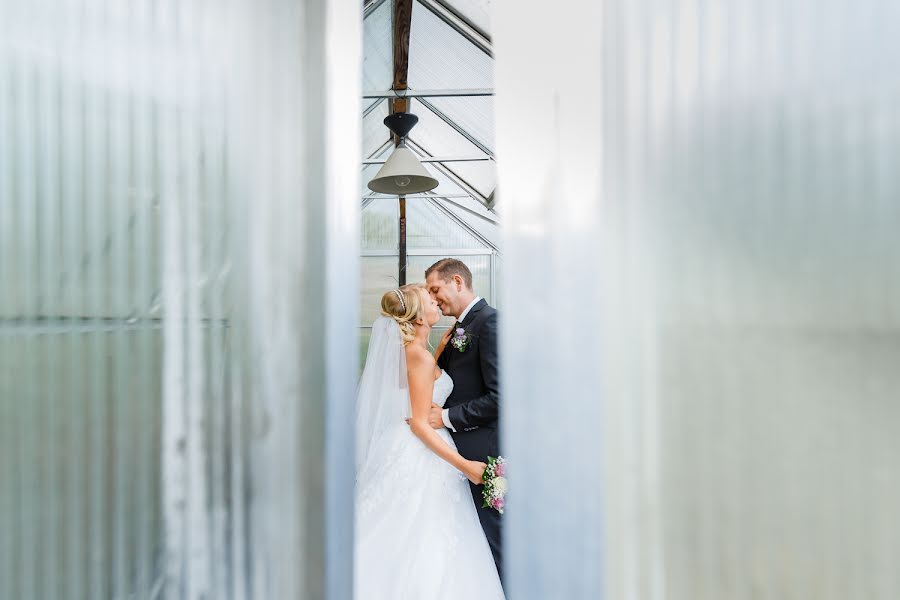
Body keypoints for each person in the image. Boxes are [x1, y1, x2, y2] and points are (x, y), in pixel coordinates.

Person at [354, 283, 505, 600]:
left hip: (410, 446)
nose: (436, 301)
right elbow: (421, 425)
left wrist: (436, 354)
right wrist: (465, 466)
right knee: (423, 536)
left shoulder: (416, 355)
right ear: (419, 317)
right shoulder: (417, 357)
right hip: (422, 451)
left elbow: (416, 384)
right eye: (429, 299)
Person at [424, 258, 503, 581]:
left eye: (435, 289)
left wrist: (444, 417)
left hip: (481, 455)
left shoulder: (490, 324)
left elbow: (501, 398)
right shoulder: (460, 328)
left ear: (457, 281)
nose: (433, 298)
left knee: (495, 542)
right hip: (455, 456)